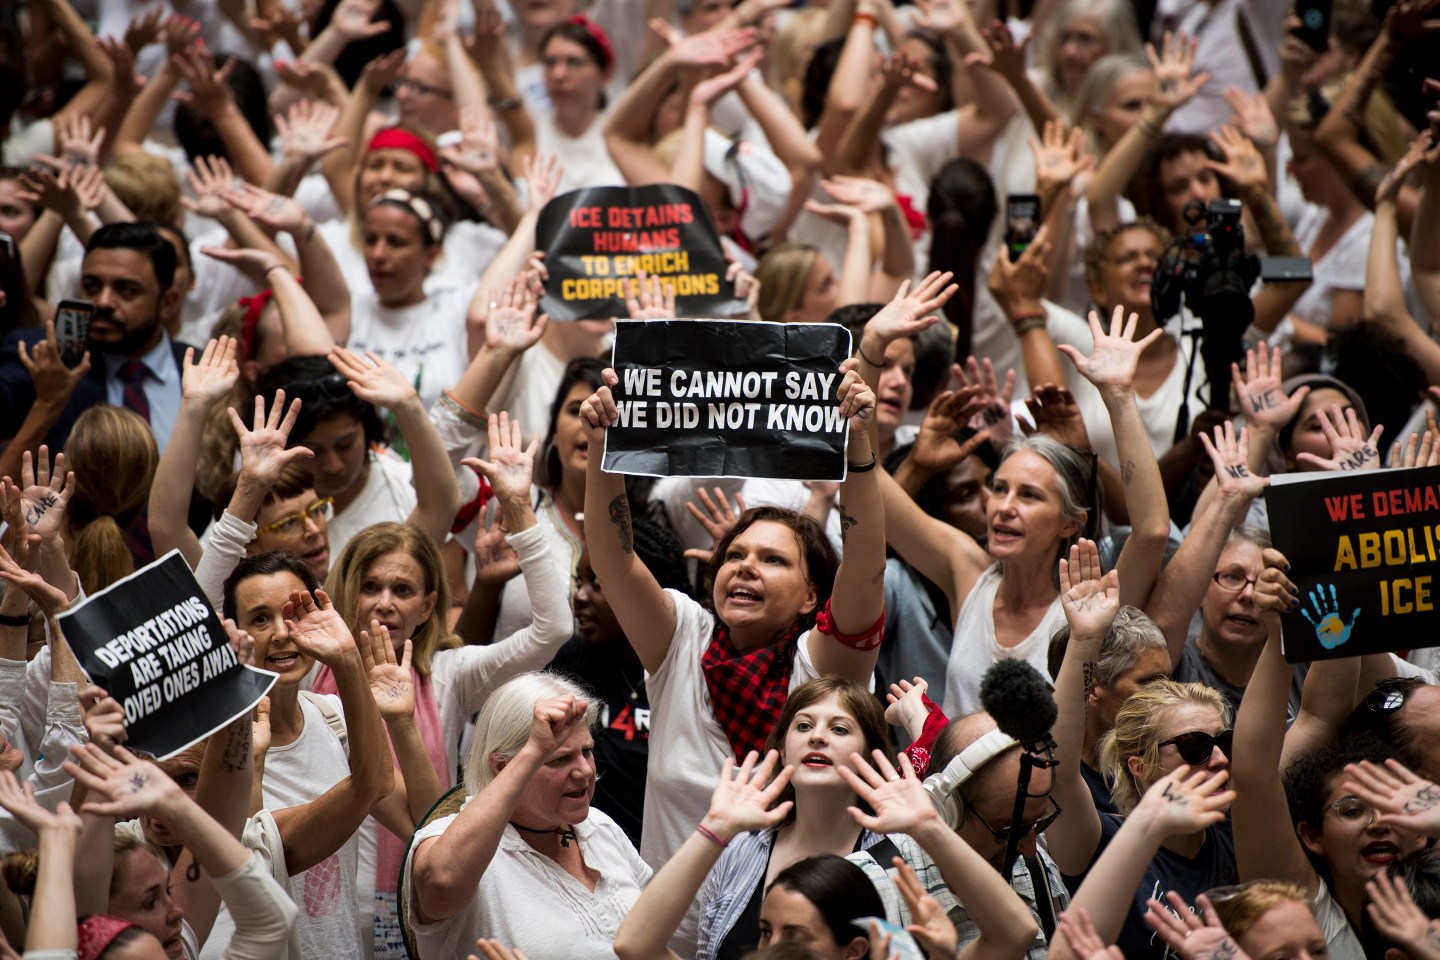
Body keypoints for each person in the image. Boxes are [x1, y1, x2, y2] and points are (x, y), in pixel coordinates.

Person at [579, 356, 886, 870]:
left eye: (773, 560)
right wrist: (601, 449)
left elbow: (865, 568)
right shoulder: (683, 637)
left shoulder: (824, 666)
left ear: (812, 596)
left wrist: (857, 443)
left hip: (782, 917)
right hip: (667, 919)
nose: (745, 567)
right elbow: (614, 562)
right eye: (735, 555)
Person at [880, 306, 1171, 716]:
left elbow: (1152, 530)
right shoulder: (968, 572)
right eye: (1000, 488)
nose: (1003, 507)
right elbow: (876, 496)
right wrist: (871, 350)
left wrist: (1119, 396)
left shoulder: (1095, 603)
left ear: (1070, 522)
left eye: (1029, 496)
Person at [404, 674, 652, 960]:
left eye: (586, 751)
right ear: (502, 767)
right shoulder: (444, 837)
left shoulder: (599, 826)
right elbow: (441, 885)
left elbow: (656, 933)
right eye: (559, 758)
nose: (585, 770)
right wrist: (535, 749)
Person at [547, 522, 693, 848]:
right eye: (578, 581)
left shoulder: (691, 667)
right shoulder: (574, 661)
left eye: (597, 584)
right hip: (592, 849)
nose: (579, 596)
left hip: (672, 851)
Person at [0, 222, 191, 452]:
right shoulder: (41, 356)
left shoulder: (199, 370)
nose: (103, 301)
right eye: (92, 286)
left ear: (167, 303)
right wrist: (46, 402)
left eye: (126, 290)